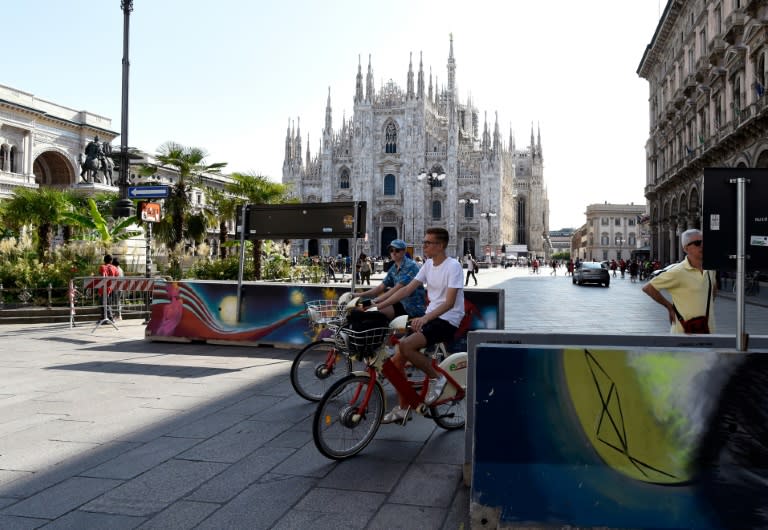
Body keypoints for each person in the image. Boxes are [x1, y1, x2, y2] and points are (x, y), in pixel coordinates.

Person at [373, 227, 465, 423]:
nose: (423, 246)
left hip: (448, 319)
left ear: (440, 246)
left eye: (427, 243)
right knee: (396, 361)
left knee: (405, 346)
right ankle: (403, 408)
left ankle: (436, 378)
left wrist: (425, 318)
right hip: (432, 317)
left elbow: (449, 303)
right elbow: (406, 289)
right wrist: (376, 305)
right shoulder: (428, 265)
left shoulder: (453, 266)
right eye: (424, 242)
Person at [641, 229, 717, 334]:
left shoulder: (710, 268)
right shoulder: (678, 271)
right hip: (684, 332)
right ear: (686, 248)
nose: (702, 246)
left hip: (708, 330)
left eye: (704, 242)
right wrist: (669, 307)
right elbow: (648, 288)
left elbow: (713, 288)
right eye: (698, 243)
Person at [356, 239, 426, 321]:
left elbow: (397, 289)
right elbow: (380, 287)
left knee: (373, 314)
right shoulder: (394, 268)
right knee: (361, 311)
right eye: (391, 250)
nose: (393, 253)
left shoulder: (411, 266)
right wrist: (358, 295)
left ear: (404, 251)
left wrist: (377, 303)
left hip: (411, 308)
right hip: (399, 303)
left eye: (397, 250)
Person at [97, 254, 119, 321]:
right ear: (111, 260)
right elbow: (117, 276)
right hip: (111, 288)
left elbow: (101, 276)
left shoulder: (102, 267)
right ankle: (105, 317)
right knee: (107, 302)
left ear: (104, 260)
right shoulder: (114, 268)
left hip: (103, 288)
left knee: (103, 303)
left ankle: (109, 317)